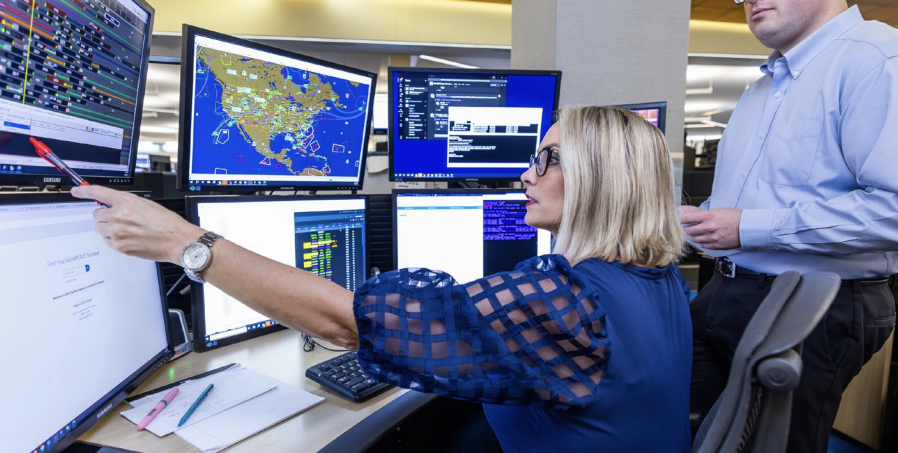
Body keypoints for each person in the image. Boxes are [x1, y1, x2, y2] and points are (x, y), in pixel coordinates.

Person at [74, 106, 691, 452]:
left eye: (549, 158)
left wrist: (189, 244)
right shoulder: (655, 277)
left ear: (602, 179)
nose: (528, 174)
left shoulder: (566, 300)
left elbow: (348, 323)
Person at [680, 0, 898, 451]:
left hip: (813, 305)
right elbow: (748, 201)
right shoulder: (762, 88)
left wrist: (750, 228)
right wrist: (696, 221)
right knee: (694, 433)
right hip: (728, 289)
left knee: (771, 445)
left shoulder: (877, 61)